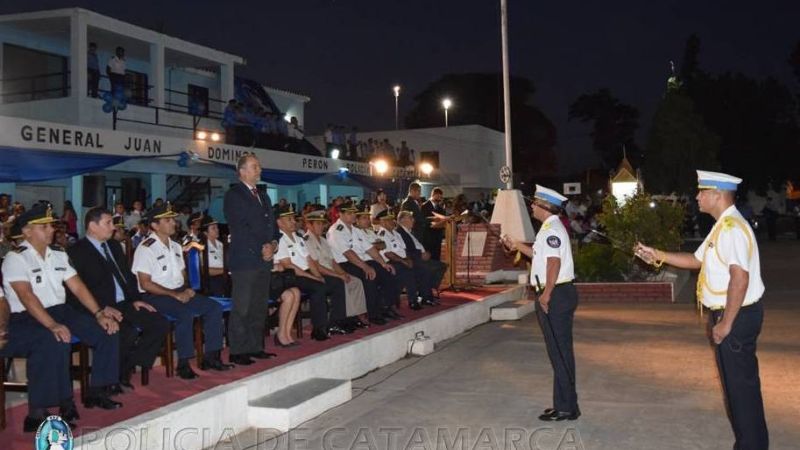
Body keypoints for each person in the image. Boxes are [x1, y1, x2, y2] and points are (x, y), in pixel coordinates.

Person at [635, 170, 768, 450]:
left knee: (740, 393)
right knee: (739, 391)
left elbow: (739, 278)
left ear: (717, 195)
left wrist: (726, 323)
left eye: (702, 192)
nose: (697, 197)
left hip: (736, 317)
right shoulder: (722, 225)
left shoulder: (731, 229)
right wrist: (657, 254)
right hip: (736, 315)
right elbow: (696, 260)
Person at [1, 203, 124, 431]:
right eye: (44, 226)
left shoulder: (58, 254)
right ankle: (39, 412)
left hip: (60, 310)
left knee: (107, 329)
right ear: (27, 231)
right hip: (26, 317)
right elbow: (27, 297)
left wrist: (98, 313)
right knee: (52, 341)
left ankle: (97, 390)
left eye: (51, 226)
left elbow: (77, 287)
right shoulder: (15, 258)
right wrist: (52, 325)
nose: (51, 230)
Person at [67, 207, 169, 391]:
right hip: (100, 306)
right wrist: (100, 308)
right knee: (126, 332)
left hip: (124, 302)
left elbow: (127, 277)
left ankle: (127, 366)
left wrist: (136, 299)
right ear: (92, 226)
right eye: (108, 223)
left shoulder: (114, 246)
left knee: (159, 323)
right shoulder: (77, 251)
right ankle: (114, 378)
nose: (113, 227)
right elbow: (76, 290)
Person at [131, 203, 232, 379]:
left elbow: (183, 275)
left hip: (178, 291)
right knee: (184, 314)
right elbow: (145, 283)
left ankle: (211, 357)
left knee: (213, 307)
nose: (174, 223)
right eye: (168, 220)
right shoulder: (146, 248)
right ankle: (183, 364)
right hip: (156, 296)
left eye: (173, 219)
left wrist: (187, 290)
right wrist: (175, 295)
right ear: (155, 225)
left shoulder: (176, 246)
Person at [507, 185, 580, 422]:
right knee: (558, 352)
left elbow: (553, 264)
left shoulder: (552, 230)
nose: (531, 206)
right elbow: (540, 256)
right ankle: (565, 403)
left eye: (534, 203)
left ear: (544, 207)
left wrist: (546, 294)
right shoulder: (550, 228)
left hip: (556, 294)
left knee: (560, 353)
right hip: (557, 293)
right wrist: (517, 245)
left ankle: (567, 408)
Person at [223, 154, 279, 365]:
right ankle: (238, 350)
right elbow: (240, 227)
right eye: (255, 166)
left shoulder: (263, 196)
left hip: (264, 258)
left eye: (259, 166)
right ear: (242, 171)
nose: (260, 169)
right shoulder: (234, 195)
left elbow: (271, 226)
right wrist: (261, 248)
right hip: (245, 259)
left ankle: (255, 346)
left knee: (258, 306)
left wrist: (273, 244)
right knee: (242, 307)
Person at [275, 206, 351, 340]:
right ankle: (318, 329)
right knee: (319, 287)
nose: (293, 222)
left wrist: (318, 276)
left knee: (336, 283)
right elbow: (288, 265)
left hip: (305, 273)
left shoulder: (297, 238)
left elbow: (309, 260)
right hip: (291, 275)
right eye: (289, 219)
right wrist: (313, 277)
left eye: (293, 219)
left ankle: (336, 322)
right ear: (279, 222)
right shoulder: (279, 239)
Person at [304, 207, 369, 328]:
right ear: (309, 225)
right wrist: (338, 275)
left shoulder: (323, 240)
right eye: (318, 224)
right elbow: (317, 266)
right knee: (340, 282)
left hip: (330, 271)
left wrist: (343, 273)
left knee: (355, 281)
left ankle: (355, 316)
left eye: (322, 224)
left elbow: (333, 261)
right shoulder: (307, 240)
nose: (321, 227)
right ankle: (338, 320)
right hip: (318, 274)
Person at [395, 210, 447, 306]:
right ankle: (426, 296)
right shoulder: (400, 232)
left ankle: (425, 291)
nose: (413, 220)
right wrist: (420, 255)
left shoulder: (409, 232)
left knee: (441, 266)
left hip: (419, 257)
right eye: (410, 218)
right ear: (402, 220)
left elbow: (417, 245)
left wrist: (425, 253)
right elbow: (405, 250)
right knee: (426, 269)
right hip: (412, 259)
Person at [200, 215, 227, 297]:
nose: (217, 230)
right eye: (213, 228)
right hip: (211, 282)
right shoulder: (201, 247)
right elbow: (203, 270)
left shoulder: (221, 244)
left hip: (225, 278)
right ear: (205, 232)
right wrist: (225, 270)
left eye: (217, 227)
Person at [420, 187, 447, 261]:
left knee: (436, 258)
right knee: (428, 259)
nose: (440, 198)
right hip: (428, 237)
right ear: (433, 195)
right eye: (438, 196)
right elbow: (422, 220)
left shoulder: (441, 208)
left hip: (437, 237)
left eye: (441, 197)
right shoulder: (424, 206)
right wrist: (433, 220)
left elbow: (443, 220)